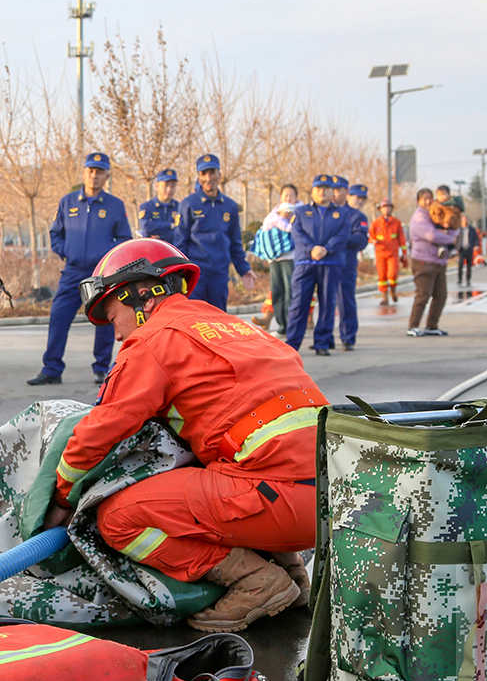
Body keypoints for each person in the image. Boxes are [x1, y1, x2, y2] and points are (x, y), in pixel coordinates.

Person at [44, 239, 324, 632]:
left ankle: (254, 582)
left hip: (279, 502)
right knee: (231, 465)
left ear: (140, 295)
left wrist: (61, 496)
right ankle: (293, 575)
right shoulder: (236, 327)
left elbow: (103, 427)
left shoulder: (155, 339)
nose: (117, 334)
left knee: (118, 518)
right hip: (328, 502)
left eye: (113, 316)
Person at [28, 152, 131, 386]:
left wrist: (106, 257)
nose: (94, 176)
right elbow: (56, 232)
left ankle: (101, 369)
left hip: (100, 275)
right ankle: (52, 369)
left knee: (104, 320)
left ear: (106, 176)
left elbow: (124, 239)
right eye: (90, 171)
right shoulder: (69, 202)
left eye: (99, 172)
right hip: (72, 272)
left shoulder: (115, 206)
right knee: (58, 317)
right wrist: (65, 251)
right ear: (84, 173)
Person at [174, 153, 255, 309]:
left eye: (212, 172)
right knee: (195, 319)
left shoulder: (230, 207)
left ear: (219, 175)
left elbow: (235, 243)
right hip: (196, 275)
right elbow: (180, 241)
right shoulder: (188, 204)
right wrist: (180, 273)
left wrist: (244, 270)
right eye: (204, 173)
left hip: (219, 274)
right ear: (198, 177)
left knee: (218, 319)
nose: (208, 178)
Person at [284, 174, 348, 356]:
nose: (323, 192)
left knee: (328, 303)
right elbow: (297, 234)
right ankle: (292, 343)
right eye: (319, 188)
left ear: (332, 192)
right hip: (305, 262)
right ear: (312, 191)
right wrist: (312, 249)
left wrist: (326, 249)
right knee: (299, 303)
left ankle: (322, 342)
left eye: (327, 189)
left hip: (330, 262)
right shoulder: (301, 212)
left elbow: (342, 235)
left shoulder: (341, 213)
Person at [407, 188, 462, 337]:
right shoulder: (419, 217)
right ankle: (413, 326)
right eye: (424, 198)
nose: (428, 201)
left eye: (430, 198)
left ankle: (432, 326)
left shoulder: (436, 213)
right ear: (418, 201)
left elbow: (450, 225)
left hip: (439, 261)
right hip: (423, 261)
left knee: (441, 295)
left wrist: (453, 230)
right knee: (423, 295)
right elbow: (431, 235)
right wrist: (451, 239)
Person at [252, 183, 298, 333]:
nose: (288, 198)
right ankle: (281, 324)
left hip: (289, 257)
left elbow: (293, 229)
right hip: (274, 258)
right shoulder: (274, 213)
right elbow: (266, 227)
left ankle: (290, 324)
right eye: (286, 195)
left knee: (289, 290)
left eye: (291, 195)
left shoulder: (299, 212)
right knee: (277, 290)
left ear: (296, 198)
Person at [334, 180, 370, 351]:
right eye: (357, 197)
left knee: (345, 300)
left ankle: (348, 337)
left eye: (363, 198)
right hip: (322, 262)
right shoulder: (326, 211)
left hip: (345, 263)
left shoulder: (357, 217)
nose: (360, 200)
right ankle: (323, 338)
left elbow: (361, 240)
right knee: (324, 302)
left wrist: (338, 240)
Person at [369, 198, 406, 304]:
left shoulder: (396, 222)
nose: (386, 209)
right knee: (382, 276)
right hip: (380, 253)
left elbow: (402, 238)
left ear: (391, 209)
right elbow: (370, 236)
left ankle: (393, 291)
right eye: (384, 207)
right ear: (380, 209)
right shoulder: (376, 223)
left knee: (392, 274)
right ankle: (385, 297)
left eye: (388, 207)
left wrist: (404, 253)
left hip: (393, 253)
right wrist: (373, 241)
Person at [137, 169, 180, 240]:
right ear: (157, 186)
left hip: (173, 249)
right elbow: (146, 227)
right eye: (165, 185)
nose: (169, 189)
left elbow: (181, 232)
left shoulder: (180, 207)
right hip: (152, 248)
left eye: (172, 186)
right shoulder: (147, 207)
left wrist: (160, 236)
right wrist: (170, 225)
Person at [456, 221, 480, 287]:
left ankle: (468, 280)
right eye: (463, 220)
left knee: (469, 266)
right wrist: (456, 247)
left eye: (465, 220)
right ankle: (460, 279)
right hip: (461, 249)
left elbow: (476, 238)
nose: (464, 222)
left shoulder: (472, 229)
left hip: (469, 249)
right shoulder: (459, 229)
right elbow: (456, 238)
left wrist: (476, 245)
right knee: (460, 265)